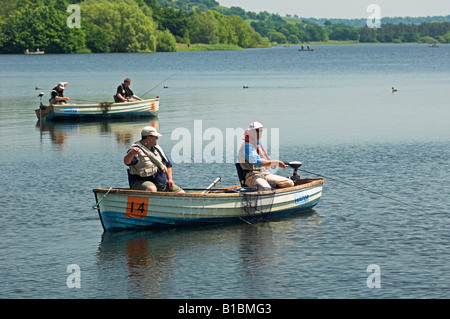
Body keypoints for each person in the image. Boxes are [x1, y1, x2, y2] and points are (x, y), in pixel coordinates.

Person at [124, 126, 184, 193]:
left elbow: (168, 165)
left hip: (161, 185)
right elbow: (127, 162)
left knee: (181, 193)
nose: (157, 138)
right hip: (141, 183)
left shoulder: (158, 149)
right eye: (155, 137)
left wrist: (170, 179)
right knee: (151, 189)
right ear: (148, 138)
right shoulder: (136, 150)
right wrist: (131, 153)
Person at [237, 122, 294, 190]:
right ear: (250, 132)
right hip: (251, 176)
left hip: (264, 174)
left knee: (289, 183)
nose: (258, 133)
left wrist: (272, 164)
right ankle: (267, 195)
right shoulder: (247, 146)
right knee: (266, 188)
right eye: (256, 130)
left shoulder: (258, 144)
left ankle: (276, 196)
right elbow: (257, 161)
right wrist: (276, 162)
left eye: (260, 130)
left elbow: (264, 161)